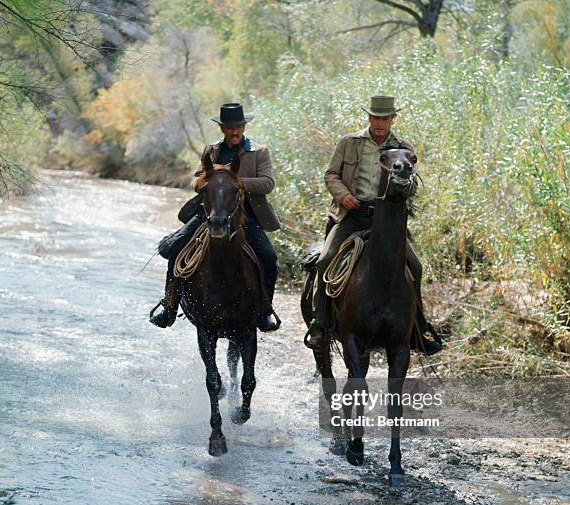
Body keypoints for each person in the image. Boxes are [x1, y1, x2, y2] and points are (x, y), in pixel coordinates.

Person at [305, 95, 442, 354]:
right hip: (351, 216)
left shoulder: (403, 147)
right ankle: (320, 324)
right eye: (376, 118)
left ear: (392, 119)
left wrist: (404, 186)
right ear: (369, 118)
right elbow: (331, 174)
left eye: (385, 118)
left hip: (387, 220)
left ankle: (417, 328)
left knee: (415, 266)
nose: (380, 123)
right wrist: (343, 194)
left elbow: (411, 184)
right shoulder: (349, 142)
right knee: (325, 260)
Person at [150, 103, 281, 332]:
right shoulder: (211, 150)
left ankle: (265, 309)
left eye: (238, 126)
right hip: (209, 213)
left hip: (245, 216)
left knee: (269, 257)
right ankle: (169, 304)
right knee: (177, 245)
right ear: (222, 128)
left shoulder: (259, 151)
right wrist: (207, 182)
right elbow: (196, 180)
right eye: (229, 127)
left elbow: (268, 183)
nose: (234, 131)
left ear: (244, 126)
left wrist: (237, 183)